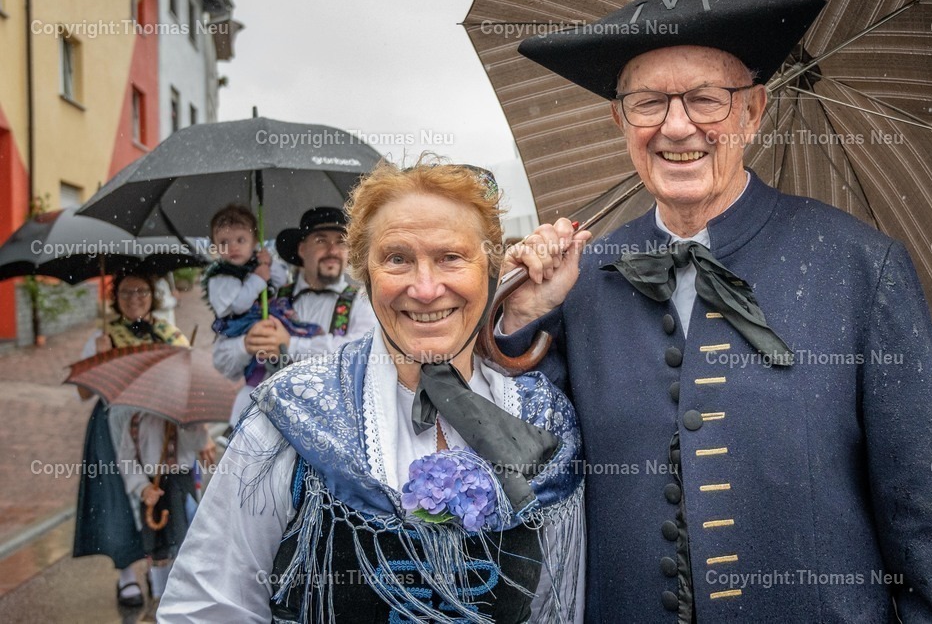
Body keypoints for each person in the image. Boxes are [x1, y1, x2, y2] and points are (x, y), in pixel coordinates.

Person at [497, 0, 932, 622]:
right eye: (648, 103)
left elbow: (925, 514)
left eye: (707, 99)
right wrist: (524, 315)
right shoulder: (581, 279)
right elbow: (529, 473)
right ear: (620, 120)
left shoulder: (862, 267)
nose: (677, 126)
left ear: (753, 112)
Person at [161, 160, 586, 622]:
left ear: (492, 267)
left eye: (451, 257)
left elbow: (558, 604)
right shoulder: (291, 415)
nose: (425, 289)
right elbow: (208, 604)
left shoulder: (542, 418)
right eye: (397, 258)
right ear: (365, 271)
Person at [71, 271, 195, 610]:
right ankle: (125, 574)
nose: (135, 298)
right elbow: (83, 393)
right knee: (116, 503)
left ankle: (163, 575)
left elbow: (188, 379)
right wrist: (99, 360)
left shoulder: (170, 333)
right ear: (116, 298)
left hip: (160, 426)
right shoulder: (104, 336)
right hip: (114, 426)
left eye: (141, 291)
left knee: (161, 500)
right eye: (126, 293)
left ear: (152, 296)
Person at [212, 206, 377, 423]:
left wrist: (291, 345)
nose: (332, 250)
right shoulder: (266, 297)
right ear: (301, 249)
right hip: (265, 424)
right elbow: (223, 364)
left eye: (340, 242)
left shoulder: (361, 303)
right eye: (321, 240)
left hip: (328, 425)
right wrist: (245, 345)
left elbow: (361, 356)